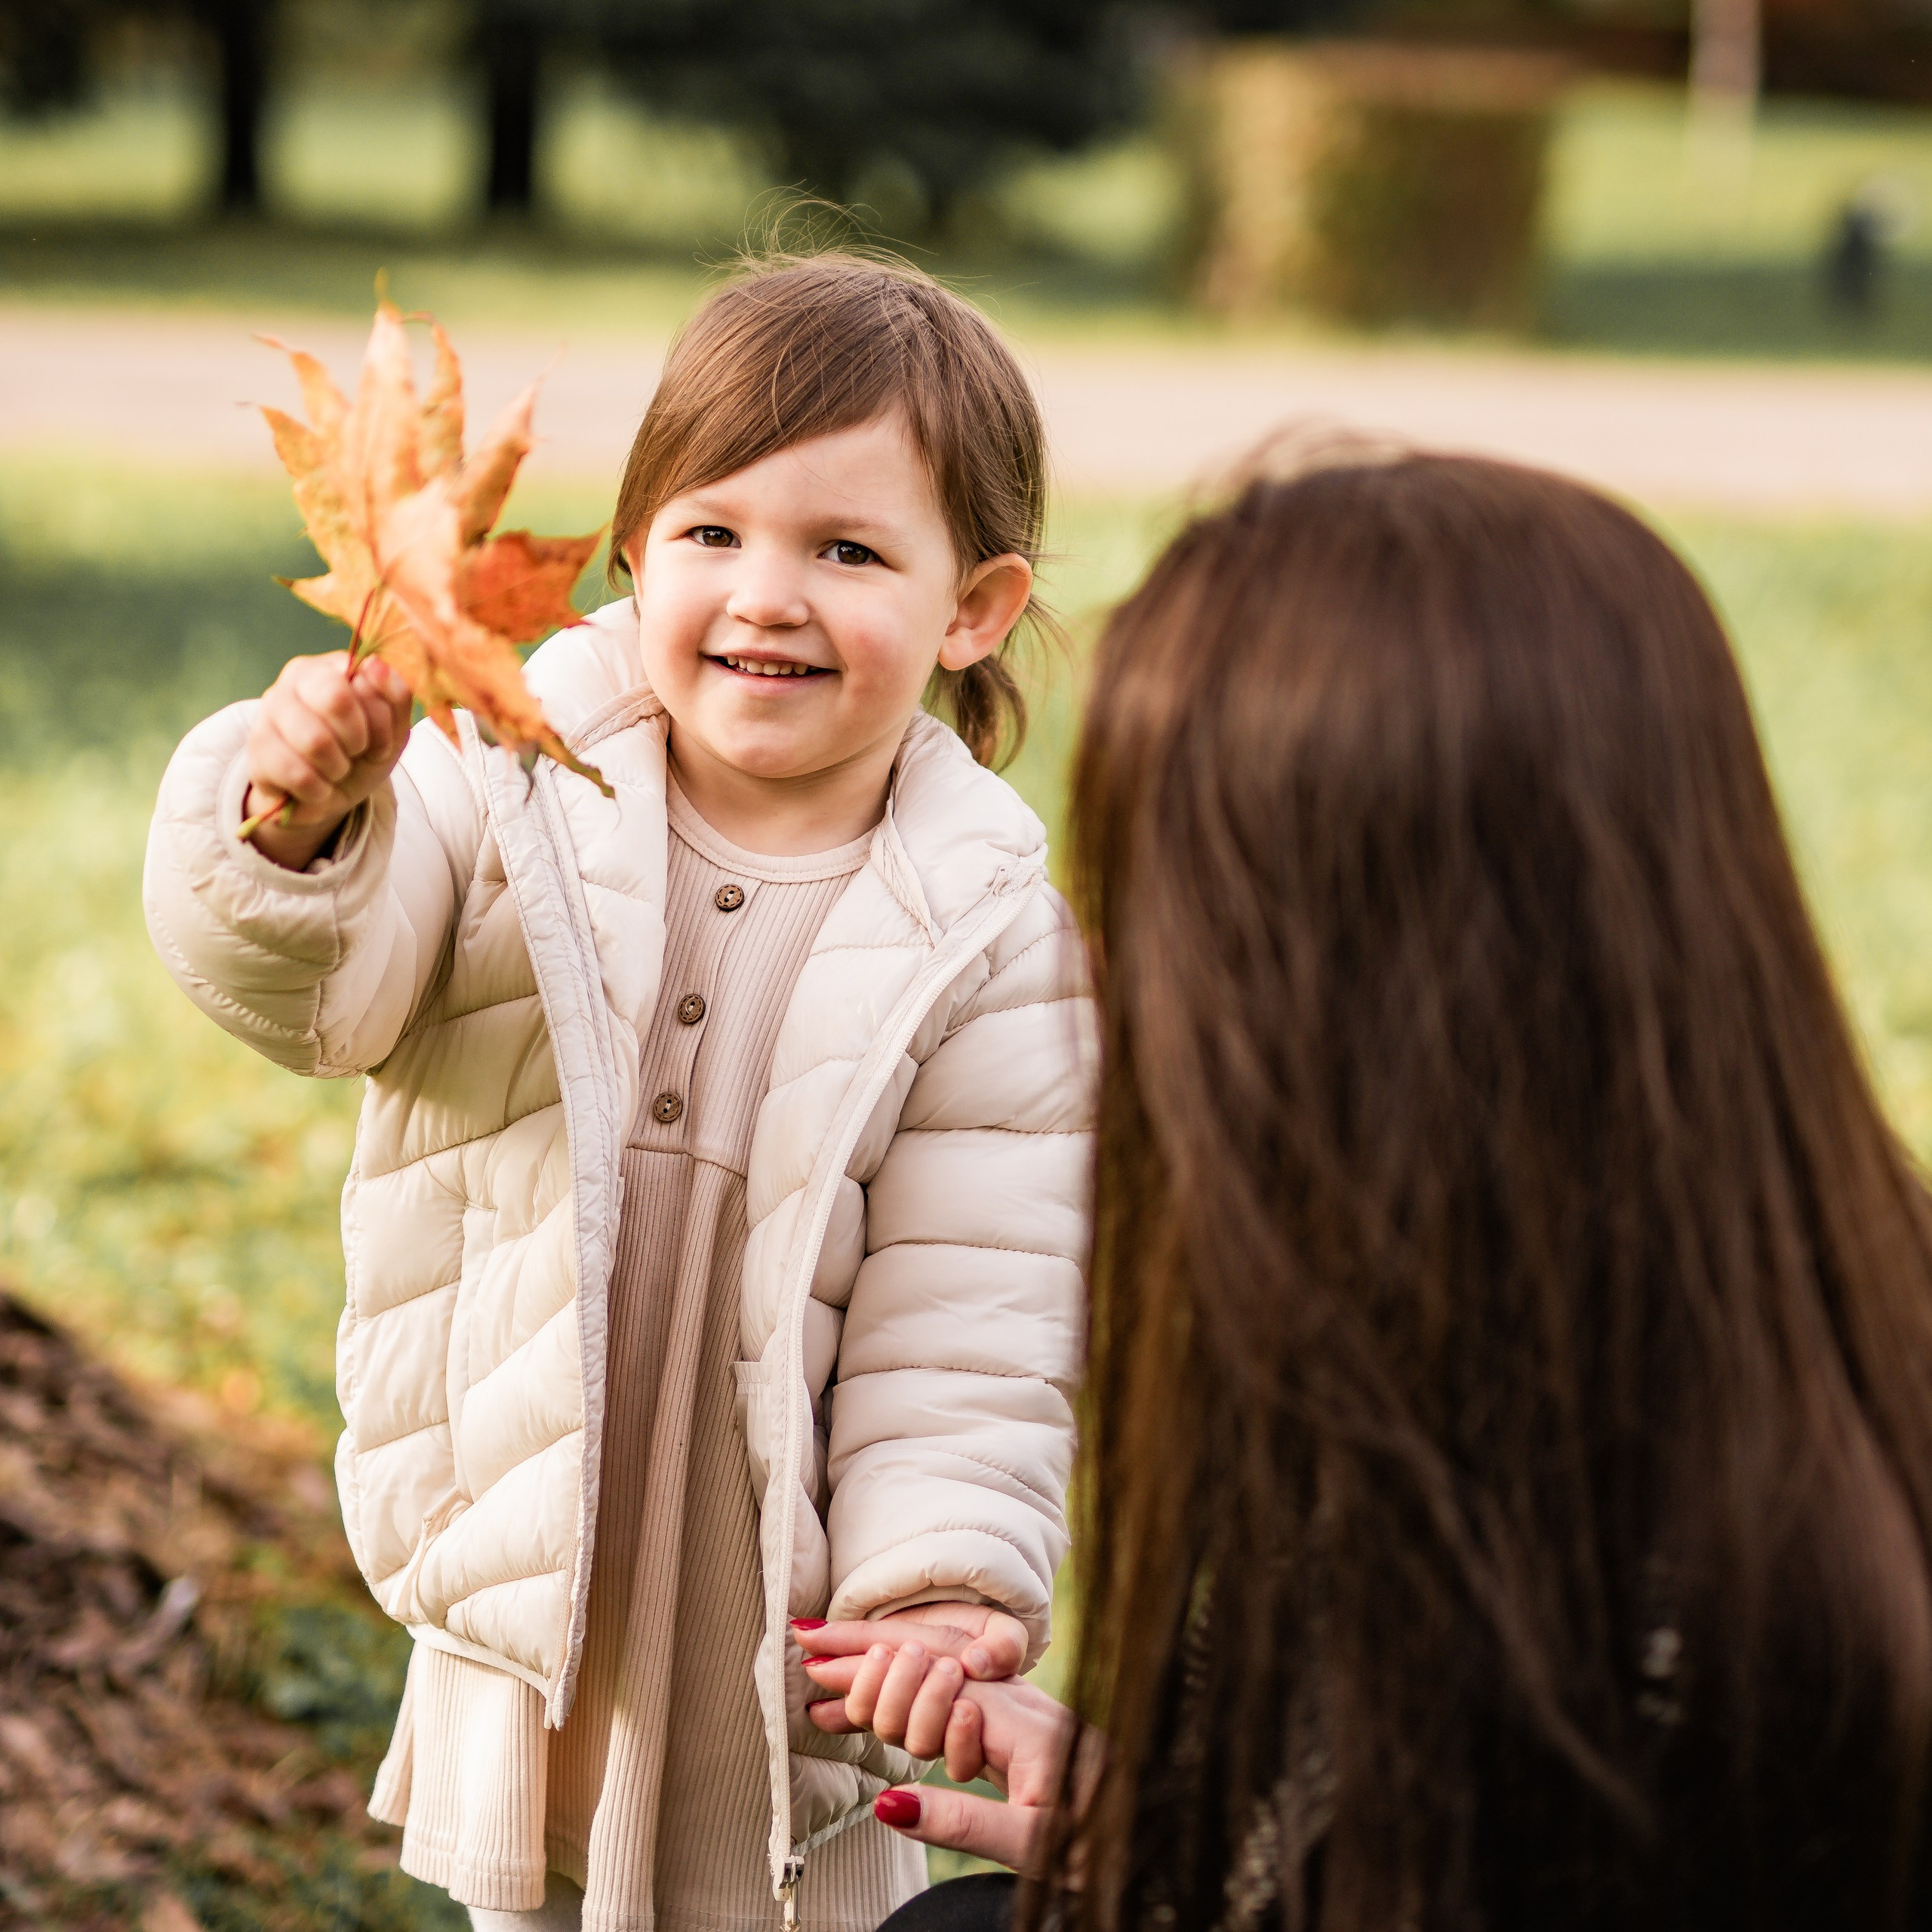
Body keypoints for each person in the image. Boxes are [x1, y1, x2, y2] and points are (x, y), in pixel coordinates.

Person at [801, 446, 1932, 1931]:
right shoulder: (1735, 1328)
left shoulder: (1688, 1627)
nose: (1118, 987)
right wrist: (1198, 1834)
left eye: (1164, 903)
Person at [142, 253, 1095, 1931]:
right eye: (712, 533)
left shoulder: (988, 925)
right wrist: (291, 823)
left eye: (847, 550)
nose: (766, 595)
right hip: (542, 1518)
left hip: (771, 1591)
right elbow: (326, 992)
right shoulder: (501, 766)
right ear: (631, 547)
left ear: (974, 607)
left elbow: (972, 1309)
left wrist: (935, 1589)